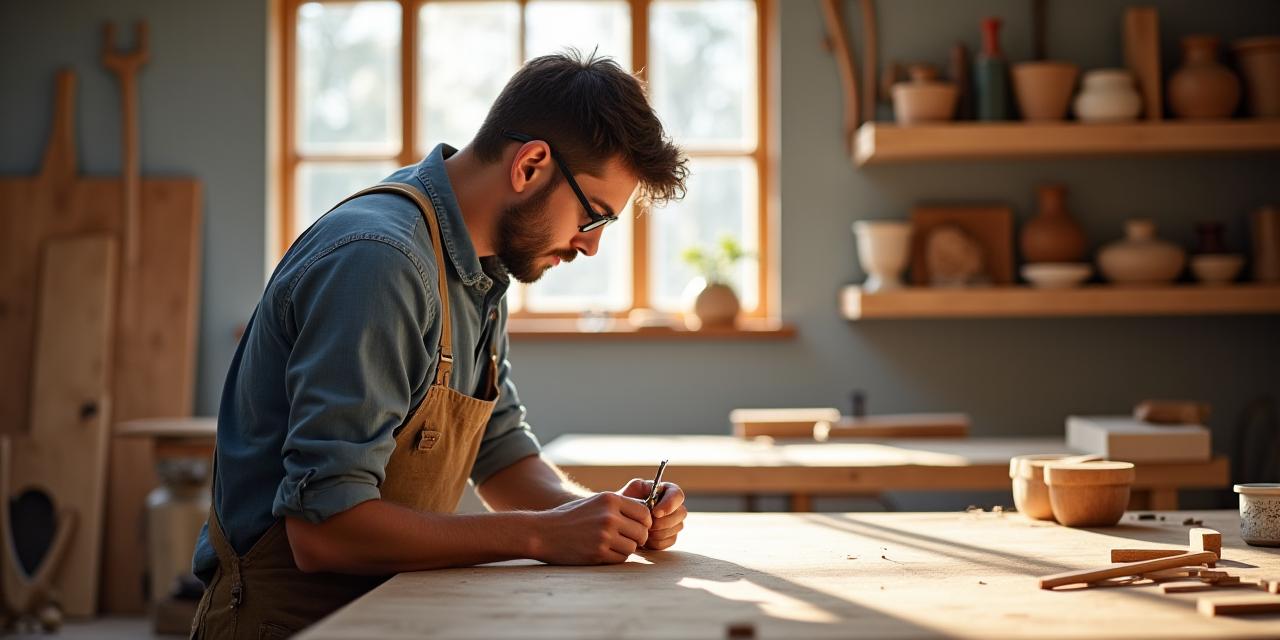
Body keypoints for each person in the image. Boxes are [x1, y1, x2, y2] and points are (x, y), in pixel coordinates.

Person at [190, 51, 690, 638]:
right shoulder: (381, 263)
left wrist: (604, 516)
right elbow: (325, 531)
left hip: (387, 608)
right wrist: (542, 533)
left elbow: (500, 454)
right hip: (289, 621)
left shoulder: (482, 264)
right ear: (531, 165)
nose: (590, 247)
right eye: (593, 218)